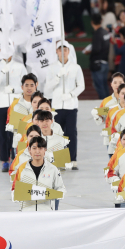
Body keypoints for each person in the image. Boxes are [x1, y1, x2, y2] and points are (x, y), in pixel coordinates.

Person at [44, 41, 84, 170]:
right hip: (56, 105)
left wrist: (71, 94)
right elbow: (47, 90)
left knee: (71, 133)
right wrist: (57, 77)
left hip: (71, 105)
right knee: (58, 133)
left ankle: (73, 160)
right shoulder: (51, 68)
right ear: (56, 52)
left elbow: (81, 85)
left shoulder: (75, 67)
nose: (62, 52)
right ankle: (61, 160)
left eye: (65, 50)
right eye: (60, 50)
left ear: (69, 51)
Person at [0, 52, 27, 172]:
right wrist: (2, 72)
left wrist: (14, 89)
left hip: (16, 104)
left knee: (16, 133)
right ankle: (5, 160)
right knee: (3, 133)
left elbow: (26, 84)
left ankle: (16, 158)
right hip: (1, 104)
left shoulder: (20, 67)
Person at [87, 13, 110, 99]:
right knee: (105, 87)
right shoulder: (105, 32)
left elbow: (96, 49)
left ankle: (104, 111)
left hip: (98, 65)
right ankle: (109, 109)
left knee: (100, 88)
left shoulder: (97, 34)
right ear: (101, 21)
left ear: (92, 22)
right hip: (105, 63)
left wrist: (89, 52)